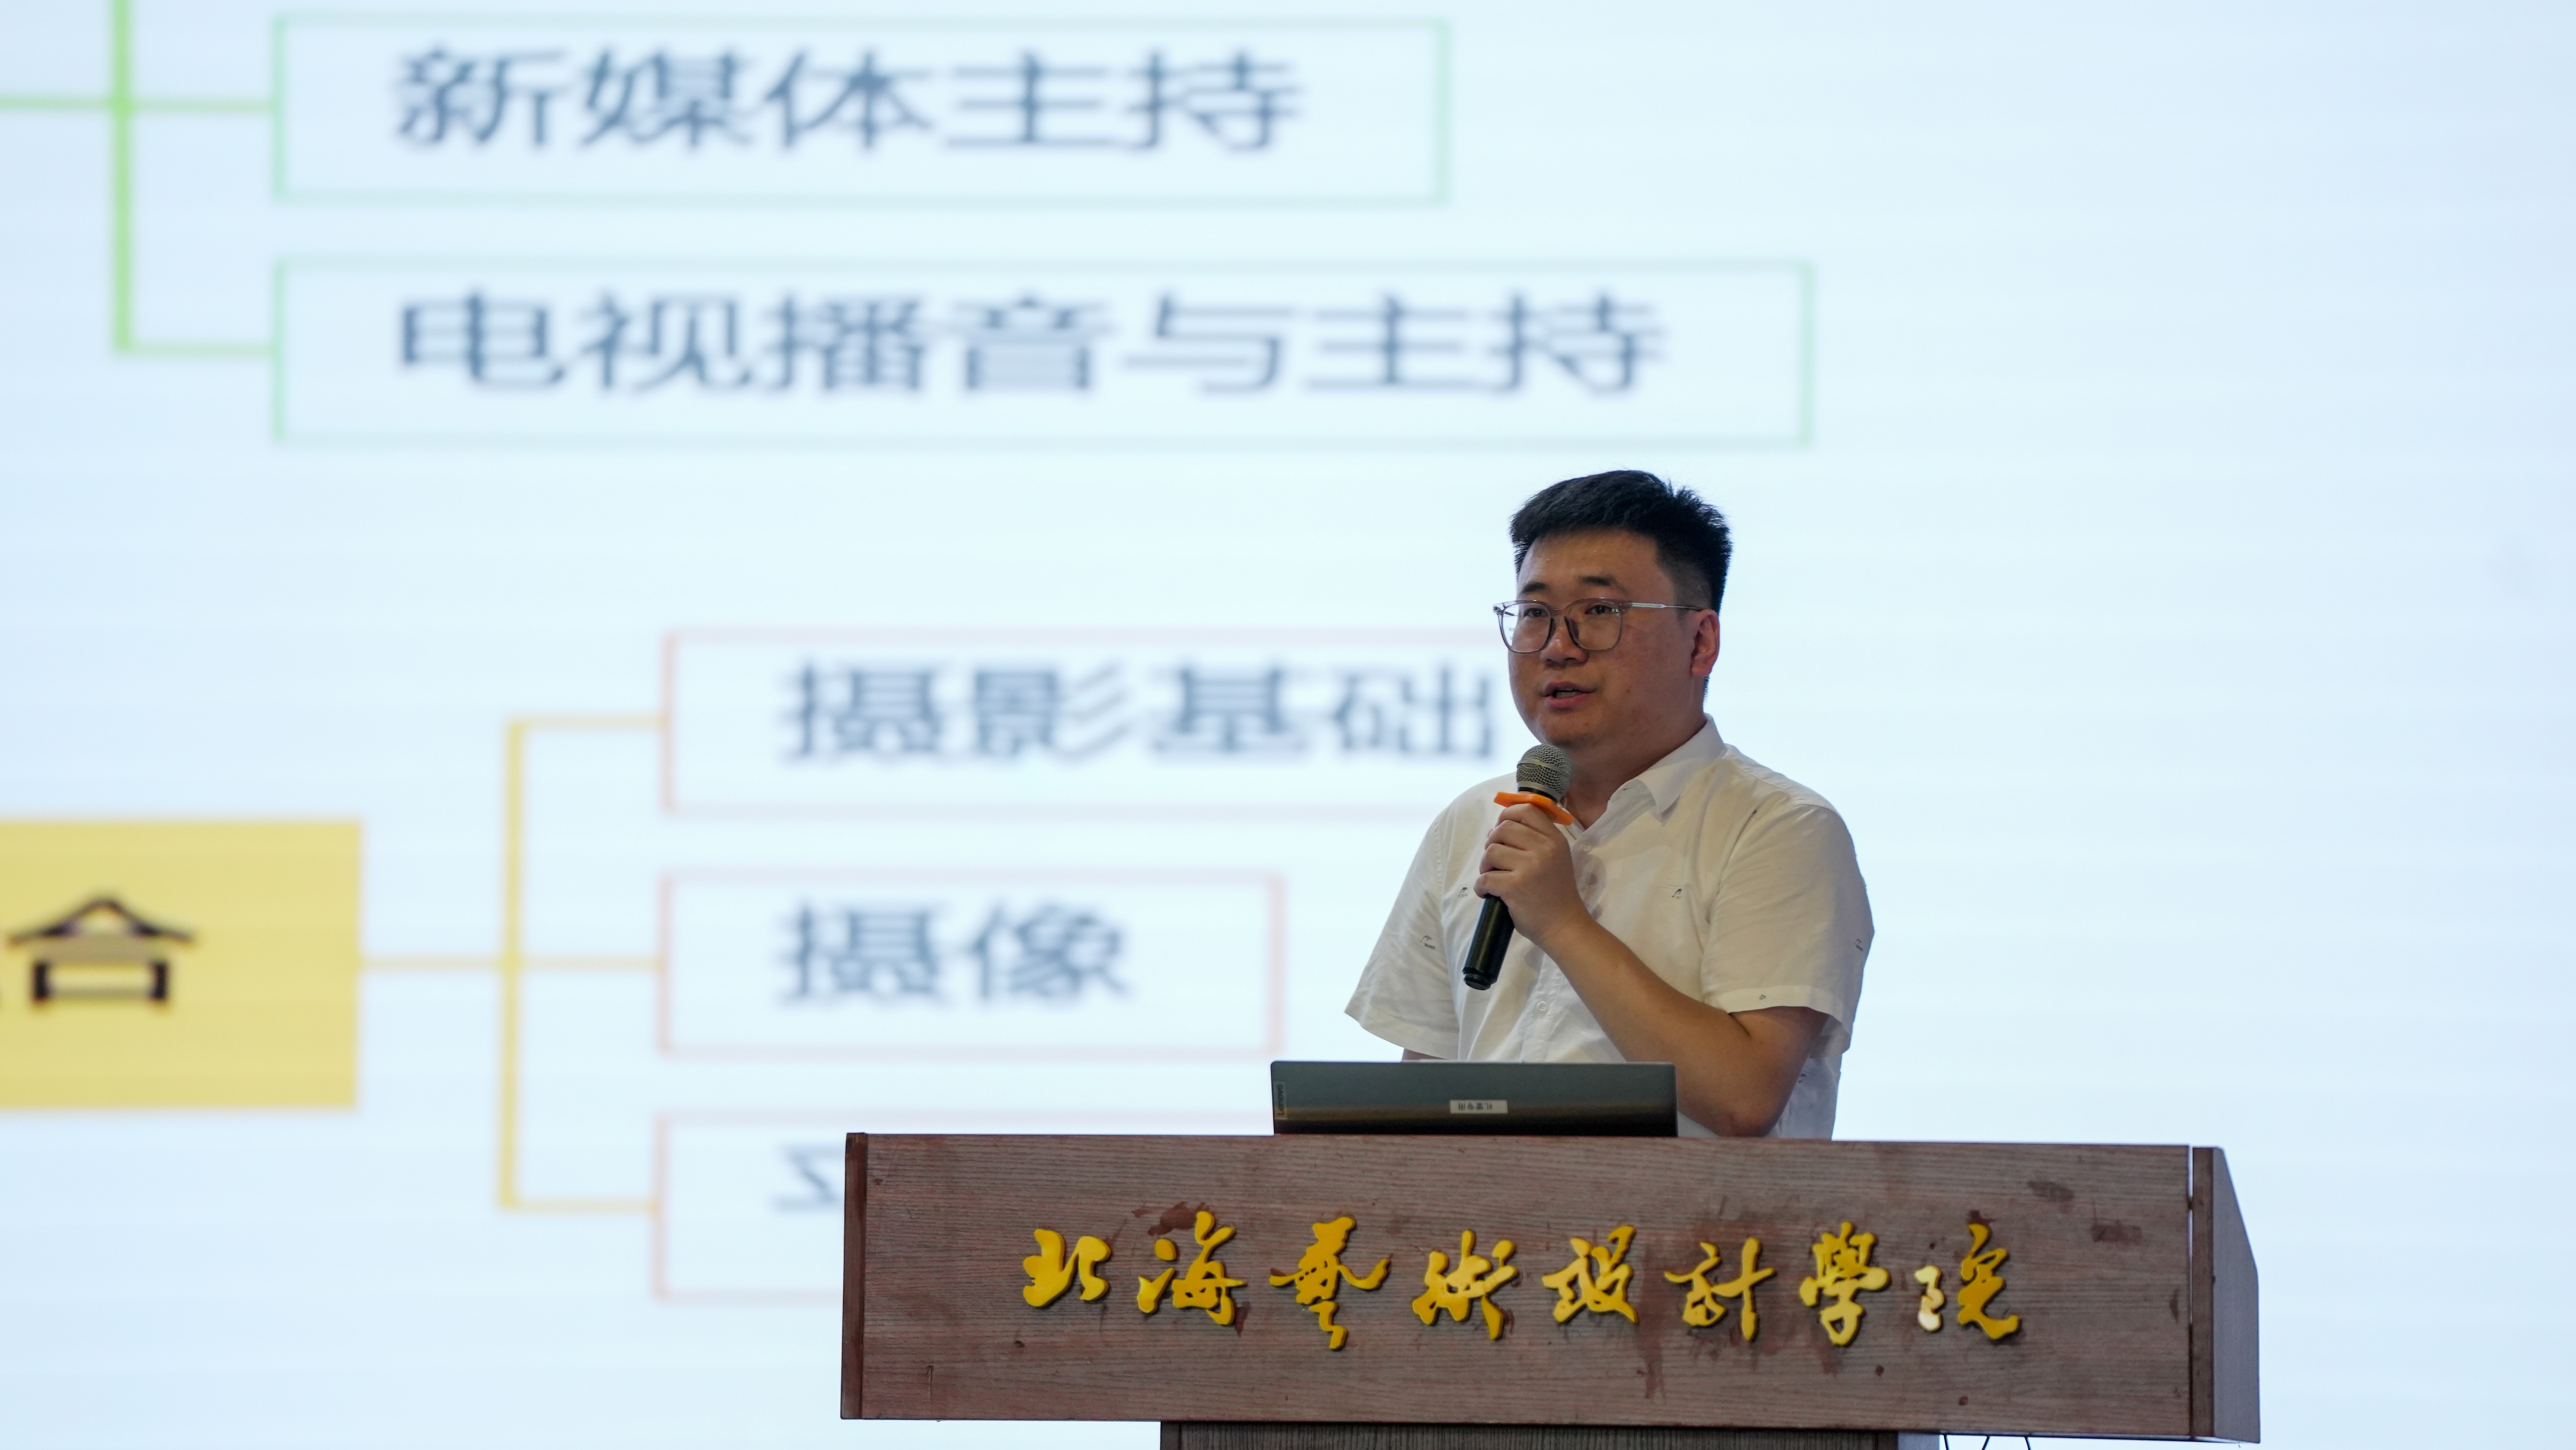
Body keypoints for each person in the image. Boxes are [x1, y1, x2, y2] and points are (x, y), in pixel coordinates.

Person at [1344, 471, 1872, 1138]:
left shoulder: (1778, 828)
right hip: (1491, 1210)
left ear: (1701, 643)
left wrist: (1564, 924)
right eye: (1535, 614)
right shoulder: (1471, 821)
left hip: (1695, 1210)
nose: (1557, 647)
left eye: (1600, 612)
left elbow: (1743, 1099)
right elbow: (1426, 1093)